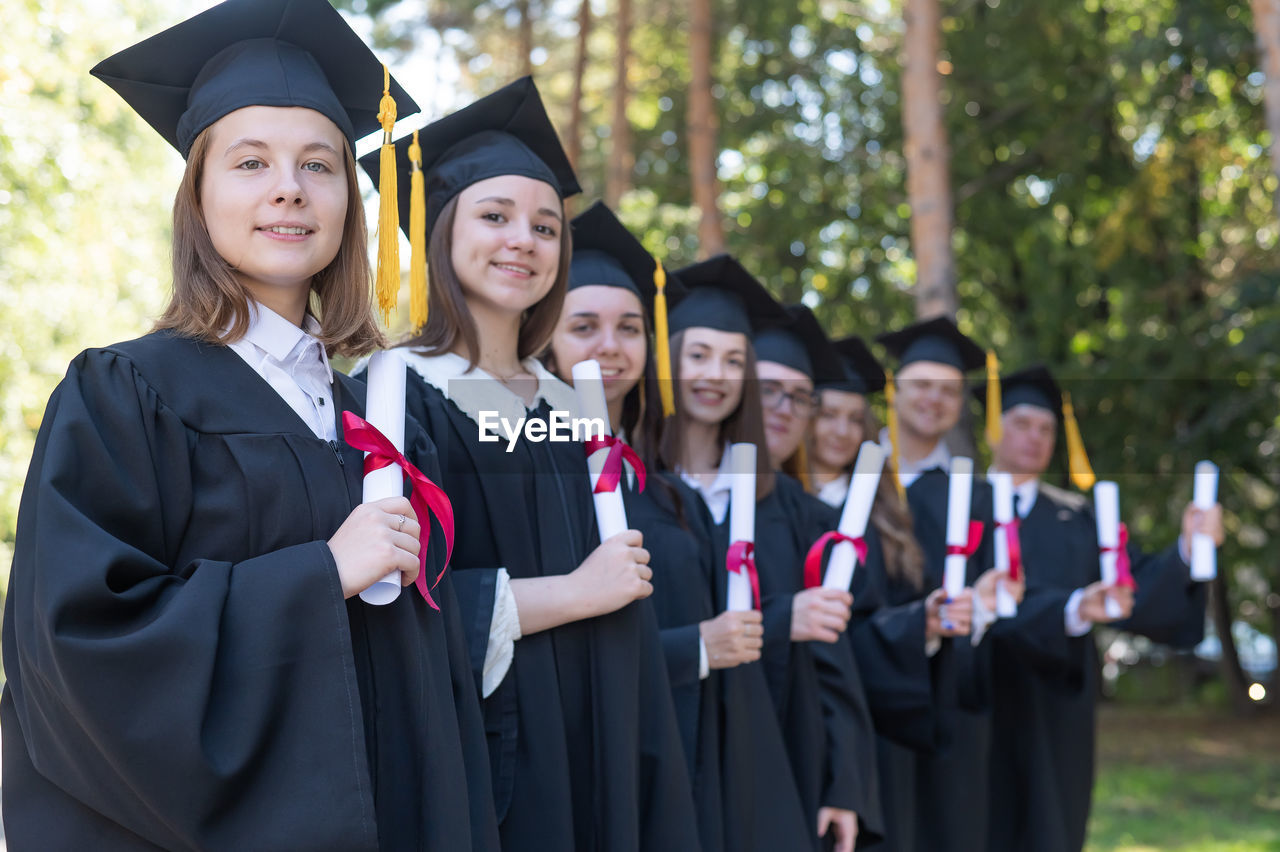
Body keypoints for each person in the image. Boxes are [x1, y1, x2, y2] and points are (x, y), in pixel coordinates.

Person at [1, 1, 499, 849]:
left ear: (348, 199)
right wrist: (322, 574)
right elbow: (78, 648)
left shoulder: (368, 418)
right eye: (250, 162)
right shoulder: (123, 394)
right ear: (196, 194)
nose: (288, 188)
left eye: (319, 163)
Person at [359, 79, 701, 852]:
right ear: (440, 230)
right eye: (494, 216)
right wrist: (575, 594)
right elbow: (395, 606)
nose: (524, 239)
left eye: (546, 227)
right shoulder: (394, 398)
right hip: (484, 761)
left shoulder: (574, 408)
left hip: (599, 738)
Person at [542, 200, 811, 852]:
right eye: (584, 325)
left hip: (678, 770)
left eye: (631, 328)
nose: (610, 346)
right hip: (574, 775)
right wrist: (696, 648)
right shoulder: (529, 467)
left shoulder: (658, 490)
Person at [659, 258, 870, 852]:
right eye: (697, 355)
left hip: (771, 761)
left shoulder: (794, 512)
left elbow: (835, 667)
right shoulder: (628, 486)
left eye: (733, 361)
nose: (716, 375)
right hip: (664, 752)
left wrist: (844, 781)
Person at [973, 364, 1221, 852]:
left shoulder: (1075, 518)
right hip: (975, 705)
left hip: (1056, 711)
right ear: (994, 428)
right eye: (1022, 423)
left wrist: (1188, 549)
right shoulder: (954, 507)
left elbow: (1132, 587)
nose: (1035, 438)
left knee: (1050, 829)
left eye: (1046, 429)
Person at [807, 334, 960, 852]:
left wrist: (923, 624)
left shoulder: (884, 518)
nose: (841, 431)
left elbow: (884, 621)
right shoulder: (774, 507)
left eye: (855, 419)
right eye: (827, 414)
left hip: (865, 721)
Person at [875, 315, 1022, 852]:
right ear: (894, 389)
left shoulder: (976, 497)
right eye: (921, 386)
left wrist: (986, 606)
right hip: (869, 702)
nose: (933, 399)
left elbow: (998, 597)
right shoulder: (857, 479)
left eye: (949, 390)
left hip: (951, 703)